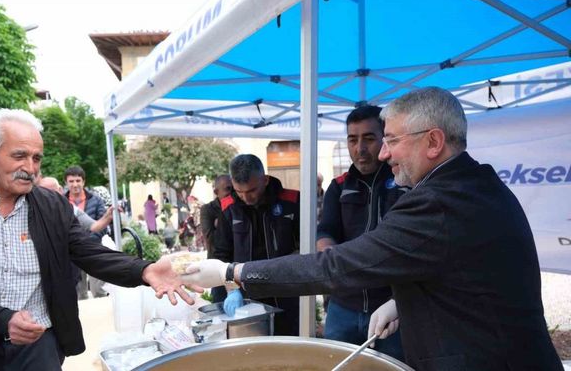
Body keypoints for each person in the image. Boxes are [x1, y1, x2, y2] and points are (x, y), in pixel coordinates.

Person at [181, 87, 564, 371]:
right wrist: (404, 301)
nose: (383, 153)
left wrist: (235, 273)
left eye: (392, 140)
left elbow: (339, 265)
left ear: (433, 141)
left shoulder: (437, 200)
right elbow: (471, 270)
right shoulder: (474, 183)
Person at [0, 109, 198, 371]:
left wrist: (144, 269)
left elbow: (89, 252)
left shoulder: (51, 206)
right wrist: (1, 321)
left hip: (38, 349)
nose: (30, 168)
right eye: (19, 156)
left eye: (37, 158)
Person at [316, 105, 405, 360]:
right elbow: (325, 231)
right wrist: (330, 254)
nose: (360, 148)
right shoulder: (339, 186)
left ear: (384, 138)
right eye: (352, 140)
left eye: (369, 138)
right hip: (343, 304)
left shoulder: (403, 181)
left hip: (392, 307)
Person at [213, 154, 300, 335]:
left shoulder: (292, 201)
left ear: (265, 180)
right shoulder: (228, 208)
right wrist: (231, 288)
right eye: (239, 192)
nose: (246, 198)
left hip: (285, 293)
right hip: (245, 295)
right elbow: (220, 256)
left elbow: (305, 247)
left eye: (252, 190)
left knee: (287, 347)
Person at [64, 166, 107, 299]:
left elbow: (102, 224)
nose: (75, 184)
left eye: (78, 180)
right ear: (66, 182)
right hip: (72, 253)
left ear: (84, 182)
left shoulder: (96, 200)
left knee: (99, 290)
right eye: (71, 181)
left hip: (93, 249)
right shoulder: (61, 202)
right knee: (78, 293)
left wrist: (87, 242)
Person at [37, 176, 116, 234]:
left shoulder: (70, 209)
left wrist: (108, 216)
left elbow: (94, 226)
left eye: (51, 192)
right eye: (43, 193)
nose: (75, 185)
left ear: (60, 190)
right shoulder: (34, 212)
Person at [200, 175, 232, 303]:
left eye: (234, 189)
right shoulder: (208, 210)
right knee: (220, 306)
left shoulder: (238, 206)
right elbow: (211, 239)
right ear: (216, 192)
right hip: (218, 267)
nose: (232, 193)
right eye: (228, 189)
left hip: (236, 264)